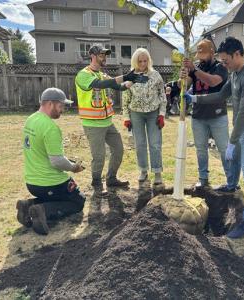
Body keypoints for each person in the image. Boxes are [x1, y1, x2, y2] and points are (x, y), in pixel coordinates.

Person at [184, 37, 244, 238]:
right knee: (235, 161)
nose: (224, 64)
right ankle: (231, 186)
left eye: (226, 60)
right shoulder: (235, 74)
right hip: (240, 125)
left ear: (237, 54)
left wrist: (232, 141)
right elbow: (220, 95)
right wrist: (195, 98)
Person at [75, 45, 143, 197]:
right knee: (98, 157)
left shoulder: (102, 74)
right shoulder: (83, 75)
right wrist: (125, 76)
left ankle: (111, 179)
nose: (104, 57)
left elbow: (120, 87)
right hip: (92, 124)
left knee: (118, 150)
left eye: (105, 55)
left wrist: (134, 79)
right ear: (92, 55)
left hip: (107, 122)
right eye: (101, 55)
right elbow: (99, 85)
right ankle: (97, 184)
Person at [17, 87, 86, 235]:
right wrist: (74, 167)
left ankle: (27, 205)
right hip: (50, 183)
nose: (63, 110)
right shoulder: (50, 127)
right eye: (61, 106)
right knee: (78, 201)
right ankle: (43, 211)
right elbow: (57, 161)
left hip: (32, 183)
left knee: (54, 196)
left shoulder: (31, 119)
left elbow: (42, 151)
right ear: (50, 104)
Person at [180, 39, 232, 190]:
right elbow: (183, 85)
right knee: (201, 149)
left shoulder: (220, 67)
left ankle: (231, 181)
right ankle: (203, 179)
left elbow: (213, 82)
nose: (200, 58)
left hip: (217, 115)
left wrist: (194, 70)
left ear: (211, 52)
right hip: (198, 116)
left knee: (223, 149)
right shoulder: (195, 68)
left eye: (203, 54)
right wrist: (183, 76)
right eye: (199, 55)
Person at [122, 48, 167, 186]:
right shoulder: (131, 76)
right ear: (135, 61)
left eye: (145, 60)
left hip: (153, 113)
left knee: (155, 144)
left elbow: (162, 95)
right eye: (140, 61)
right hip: (136, 114)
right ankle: (143, 170)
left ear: (149, 60)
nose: (142, 63)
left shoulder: (156, 75)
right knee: (140, 144)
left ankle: (157, 172)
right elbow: (125, 98)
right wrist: (126, 117)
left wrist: (161, 114)